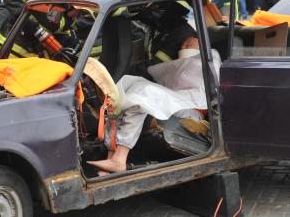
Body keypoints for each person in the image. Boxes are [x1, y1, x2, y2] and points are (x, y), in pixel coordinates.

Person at [87, 37, 221, 174]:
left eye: (189, 48)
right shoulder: (182, 68)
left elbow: (206, 99)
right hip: (179, 102)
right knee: (125, 94)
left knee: (145, 95)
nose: (185, 49)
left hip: (194, 111)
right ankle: (111, 159)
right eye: (183, 48)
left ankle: (119, 159)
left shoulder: (212, 63)